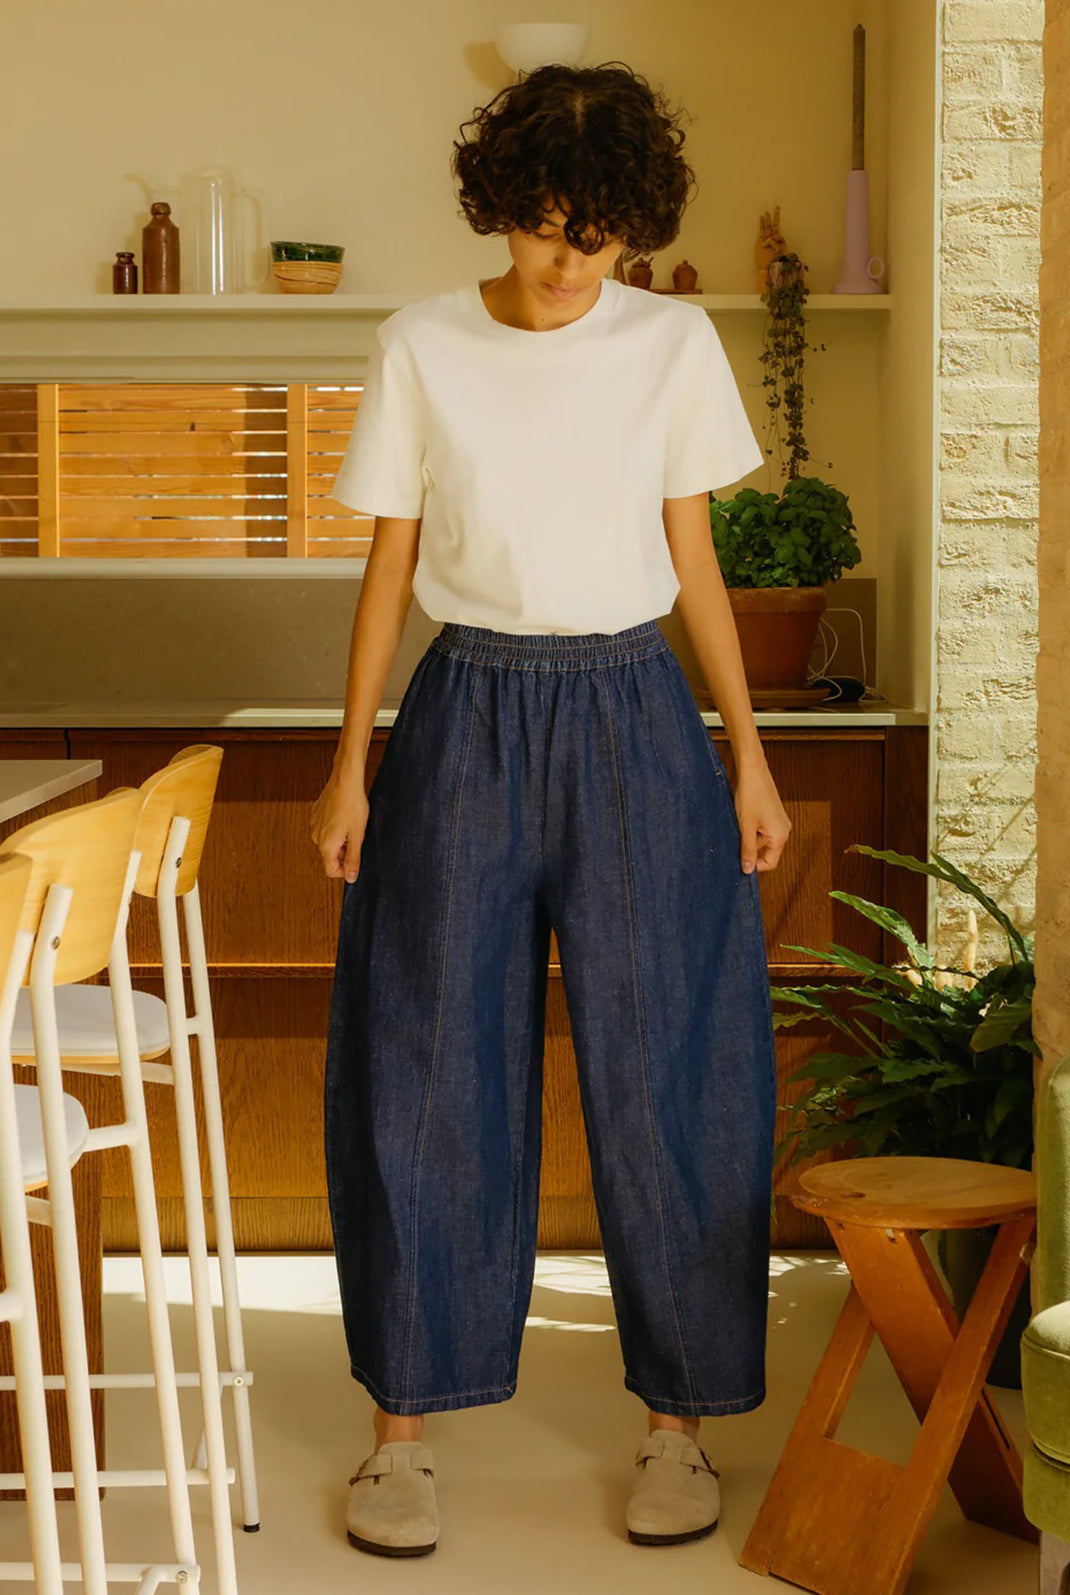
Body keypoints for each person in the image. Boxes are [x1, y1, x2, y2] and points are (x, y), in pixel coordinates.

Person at [309, 59, 792, 1560]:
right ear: (497, 207)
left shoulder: (671, 343)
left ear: (632, 227)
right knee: (424, 1057)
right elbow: (389, 568)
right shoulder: (420, 344)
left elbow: (693, 561)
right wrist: (350, 759)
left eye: (596, 236)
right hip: (465, 709)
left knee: (669, 1062)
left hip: (636, 710)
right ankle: (399, 1437)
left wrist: (750, 752)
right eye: (540, 228)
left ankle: (680, 1427)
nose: (568, 263)